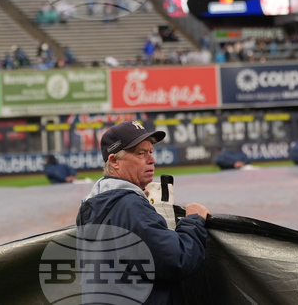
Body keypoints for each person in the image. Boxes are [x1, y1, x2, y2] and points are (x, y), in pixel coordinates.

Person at [77, 121, 209, 304]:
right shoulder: (130, 207)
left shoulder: (94, 204)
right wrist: (194, 221)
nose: (151, 159)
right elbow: (178, 260)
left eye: (151, 152)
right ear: (114, 161)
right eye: (140, 153)